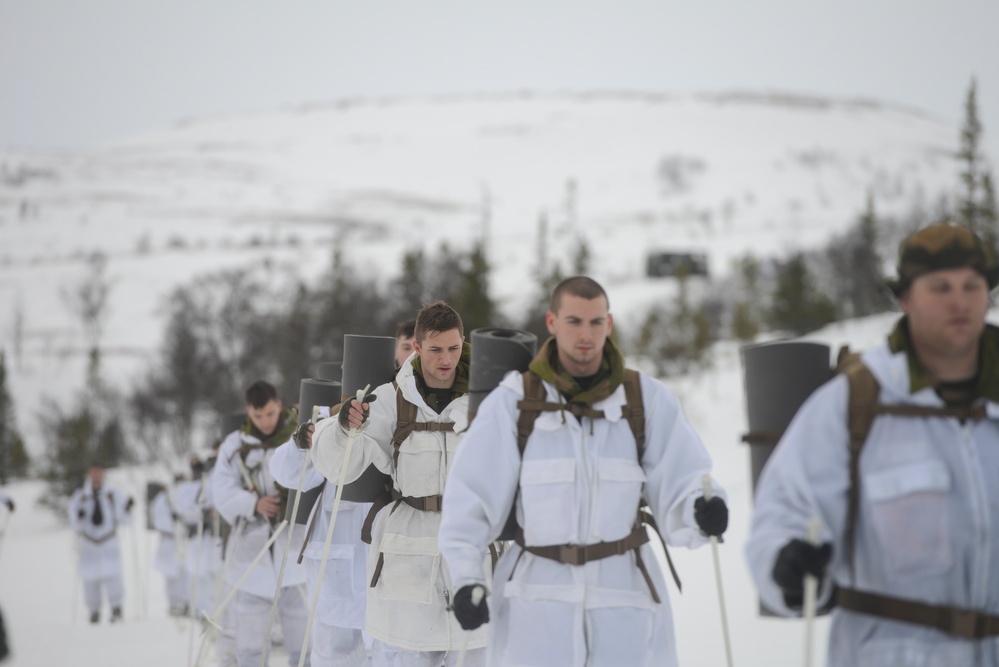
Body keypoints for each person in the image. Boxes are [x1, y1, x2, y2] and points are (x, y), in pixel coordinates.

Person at [438, 275, 728, 667]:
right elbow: (468, 499)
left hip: (624, 602)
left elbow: (687, 477)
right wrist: (466, 579)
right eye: (574, 321)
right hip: (536, 609)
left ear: (608, 325)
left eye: (596, 322)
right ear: (553, 323)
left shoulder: (645, 400)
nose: (586, 334)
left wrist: (702, 507)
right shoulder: (514, 402)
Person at [746, 221, 999, 665]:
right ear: (906, 300)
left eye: (972, 285)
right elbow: (785, 511)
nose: (959, 301)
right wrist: (785, 561)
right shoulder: (854, 404)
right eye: (940, 287)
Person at [311, 300, 488, 667]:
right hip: (408, 557)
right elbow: (335, 466)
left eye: (454, 348)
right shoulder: (392, 398)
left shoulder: (485, 401)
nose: (446, 359)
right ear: (418, 347)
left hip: (472, 549)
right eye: (435, 349)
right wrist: (344, 426)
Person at [212, 381, 311, 667]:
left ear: (278, 405)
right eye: (258, 417)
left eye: (269, 414)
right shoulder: (234, 446)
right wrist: (252, 503)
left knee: (304, 642)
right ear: (248, 413)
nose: (265, 422)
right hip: (252, 559)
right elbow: (221, 489)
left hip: (295, 556)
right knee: (251, 646)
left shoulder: (299, 435)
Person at [271, 408, 370, 667]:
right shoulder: (328, 418)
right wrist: (300, 443)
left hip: (382, 561)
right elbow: (287, 473)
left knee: (385, 654)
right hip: (334, 557)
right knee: (333, 655)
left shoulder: (398, 405)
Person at [68, 461, 134, 624]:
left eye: (99, 472)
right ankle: (94, 611)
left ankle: (116, 608)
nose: (96, 476)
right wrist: (79, 517)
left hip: (108, 542)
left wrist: (127, 508)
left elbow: (123, 518)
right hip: (90, 543)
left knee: (113, 577)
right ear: (89, 474)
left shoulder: (112, 494)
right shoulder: (81, 496)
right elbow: (73, 521)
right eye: (93, 472)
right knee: (90, 579)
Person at [150, 475, 190, 617]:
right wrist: (174, 524)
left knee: (186, 574)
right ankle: (173, 605)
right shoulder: (163, 499)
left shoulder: (188, 494)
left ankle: (187, 603)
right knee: (171, 576)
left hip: (185, 540)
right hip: (169, 540)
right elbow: (157, 520)